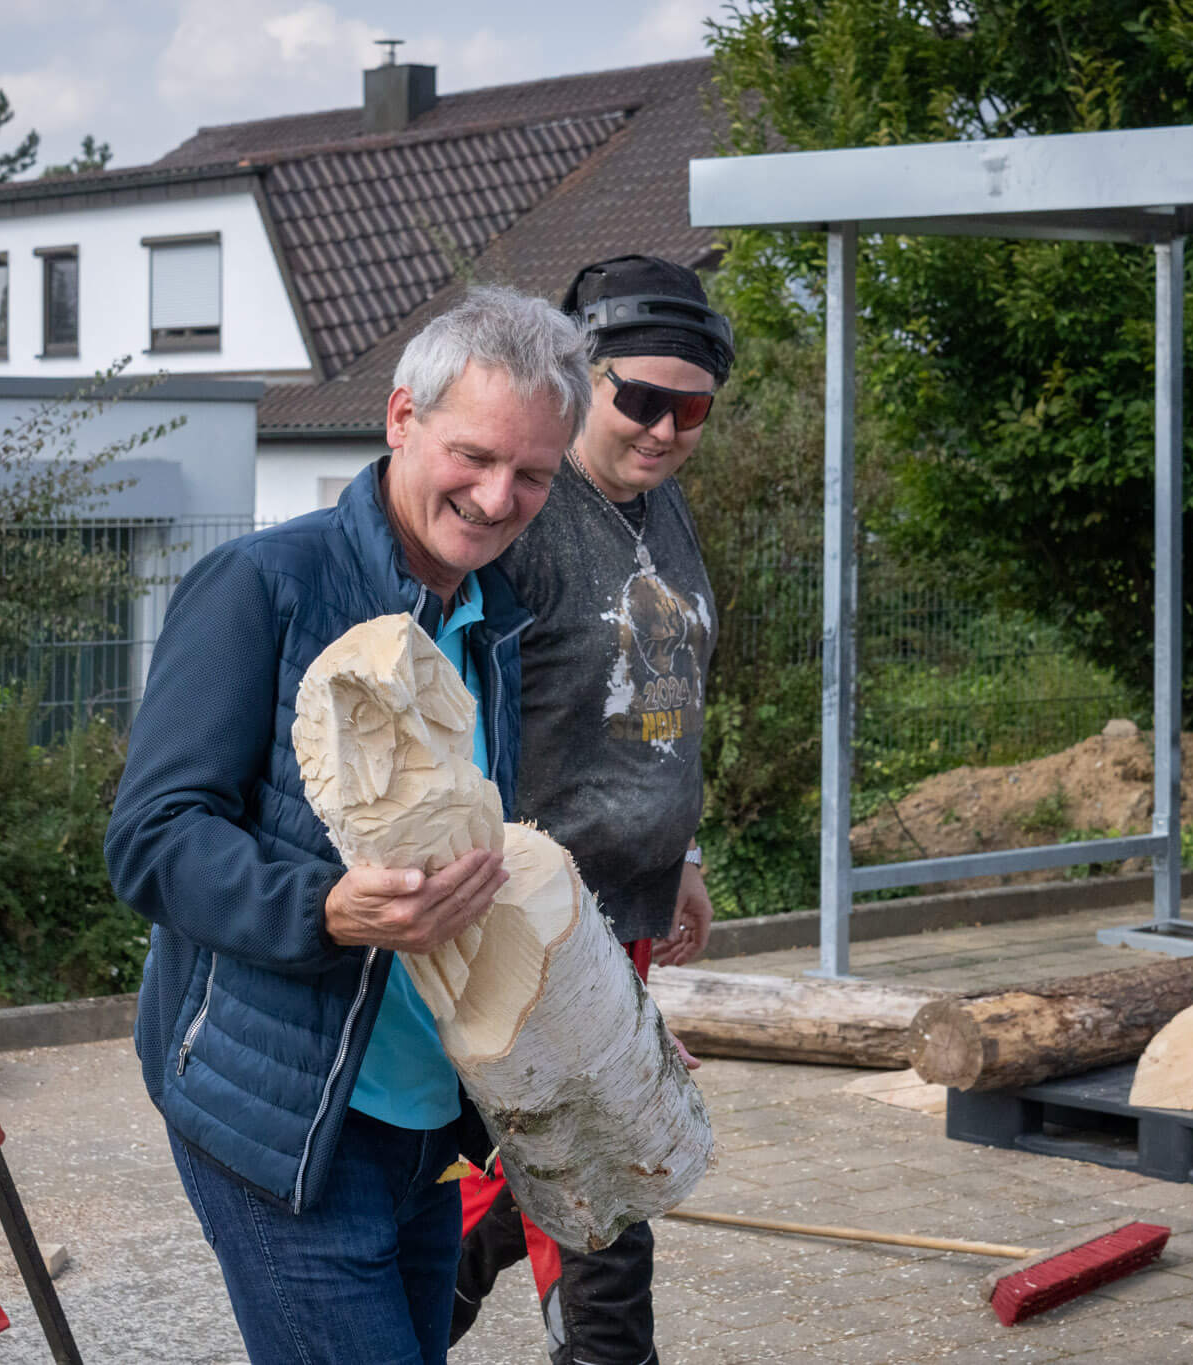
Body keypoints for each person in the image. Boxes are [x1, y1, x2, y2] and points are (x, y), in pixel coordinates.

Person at [105, 285, 593, 1365]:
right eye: (472, 454)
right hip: (283, 1122)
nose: (497, 495)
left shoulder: (491, 615)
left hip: (425, 1123)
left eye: (533, 474)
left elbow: (483, 870)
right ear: (399, 419)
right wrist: (325, 909)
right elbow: (150, 838)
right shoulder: (261, 586)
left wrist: (599, 1026)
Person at [452, 255, 734, 1365]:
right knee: (592, 1188)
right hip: (535, 923)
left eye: (692, 407)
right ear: (581, 379)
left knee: (547, 1181)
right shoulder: (522, 517)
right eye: (640, 399)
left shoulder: (664, 515)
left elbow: (664, 699)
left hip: (624, 907)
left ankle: (374, 1331)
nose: (665, 429)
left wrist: (685, 853)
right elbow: (467, 717)